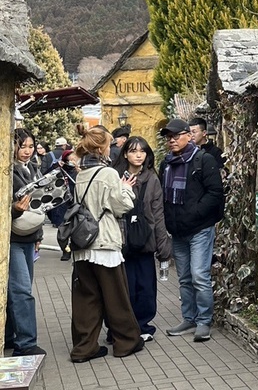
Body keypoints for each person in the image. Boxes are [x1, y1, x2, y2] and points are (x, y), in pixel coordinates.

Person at [69, 124, 144, 363]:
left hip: (83, 244)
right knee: (116, 296)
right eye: (109, 145)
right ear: (101, 148)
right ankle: (126, 342)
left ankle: (84, 347)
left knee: (86, 300)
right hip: (104, 242)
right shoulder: (108, 173)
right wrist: (127, 189)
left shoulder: (81, 175)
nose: (111, 149)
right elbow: (121, 206)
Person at [159, 118, 224, 342]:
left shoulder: (203, 160)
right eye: (169, 137)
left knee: (199, 276)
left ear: (188, 135)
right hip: (177, 231)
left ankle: (204, 321)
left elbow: (215, 193)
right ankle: (189, 318)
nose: (172, 140)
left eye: (176, 136)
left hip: (200, 229)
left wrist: (195, 213)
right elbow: (163, 196)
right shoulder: (166, 164)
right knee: (185, 278)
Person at [112, 136, 172, 342]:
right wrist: (122, 189)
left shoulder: (152, 179)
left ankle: (142, 325)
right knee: (123, 287)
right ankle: (120, 328)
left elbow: (158, 214)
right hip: (121, 240)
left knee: (145, 287)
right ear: (125, 154)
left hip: (145, 240)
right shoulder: (114, 176)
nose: (138, 155)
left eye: (142, 151)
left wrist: (163, 247)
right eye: (133, 151)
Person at [8, 128, 47, 357]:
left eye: (30, 146)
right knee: (21, 290)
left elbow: (38, 205)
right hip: (12, 239)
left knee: (19, 290)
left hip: (29, 237)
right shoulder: (7, 170)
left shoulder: (32, 168)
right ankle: (25, 343)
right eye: (22, 146)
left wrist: (38, 236)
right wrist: (14, 210)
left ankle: (10, 336)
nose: (27, 151)